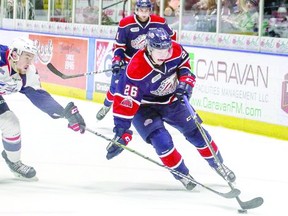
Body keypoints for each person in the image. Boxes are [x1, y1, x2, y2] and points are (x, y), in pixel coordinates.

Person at [105, 28, 236, 190]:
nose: (164, 53)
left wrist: (185, 84)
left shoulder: (175, 50)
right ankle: (182, 174)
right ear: (150, 48)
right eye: (159, 49)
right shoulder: (136, 68)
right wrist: (121, 130)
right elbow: (126, 100)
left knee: (197, 132)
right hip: (144, 107)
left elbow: (185, 67)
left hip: (172, 100)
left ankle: (219, 165)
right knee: (161, 140)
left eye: (166, 48)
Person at [0, 37, 86, 180]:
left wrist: (64, 113)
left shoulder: (28, 74)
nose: (30, 62)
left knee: (11, 123)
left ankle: (13, 161)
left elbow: (40, 97)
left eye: (32, 58)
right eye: (27, 57)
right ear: (14, 55)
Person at [96, 0, 176, 121]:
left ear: (150, 10)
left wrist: (167, 56)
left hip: (149, 65)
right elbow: (119, 46)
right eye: (141, 10)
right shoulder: (125, 23)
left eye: (146, 10)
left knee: (146, 91)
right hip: (129, 63)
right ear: (136, 10)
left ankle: (145, 116)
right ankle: (106, 106)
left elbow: (172, 39)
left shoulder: (159, 22)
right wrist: (117, 61)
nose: (144, 13)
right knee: (115, 87)